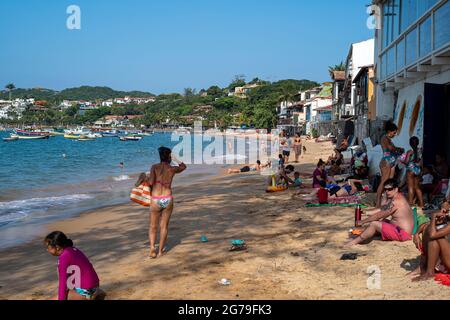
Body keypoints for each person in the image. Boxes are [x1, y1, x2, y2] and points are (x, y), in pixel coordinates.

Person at [345, 179, 414, 247]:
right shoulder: (398, 197)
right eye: (385, 189)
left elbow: (379, 215)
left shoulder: (396, 201)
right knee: (382, 221)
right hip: (400, 230)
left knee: (374, 224)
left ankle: (354, 242)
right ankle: (360, 233)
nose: (387, 192)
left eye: (390, 189)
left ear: (396, 189)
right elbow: (383, 208)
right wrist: (366, 212)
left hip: (402, 234)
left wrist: (362, 221)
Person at [148, 147, 187, 258]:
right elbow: (183, 167)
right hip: (167, 198)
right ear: (169, 157)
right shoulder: (172, 169)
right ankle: (160, 251)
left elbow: (151, 182)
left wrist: (145, 179)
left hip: (156, 199)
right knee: (164, 226)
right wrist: (176, 159)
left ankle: (152, 249)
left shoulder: (154, 167)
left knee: (153, 226)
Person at [45, 231, 101, 300]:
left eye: (48, 247)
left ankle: (89, 295)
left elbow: (63, 284)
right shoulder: (73, 249)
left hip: (88, 292)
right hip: (95, 286)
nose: (47, 250)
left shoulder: (64, 257)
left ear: (57, 247)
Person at [412, 200, 450, 281]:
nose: (443, 212)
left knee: (434, 235)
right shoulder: (446, 219)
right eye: (442, 210)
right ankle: (423, 267)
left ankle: (429, 272)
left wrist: (433, 216)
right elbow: (425, 225)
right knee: (429, 229)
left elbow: (433, 235)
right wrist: (416, 234)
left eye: (446, 211)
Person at [376, 121, 405, 208]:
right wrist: (398, 149)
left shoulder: (388, 139)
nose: (394, 134)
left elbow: (392, 148)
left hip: (391, 162)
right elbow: (390, 148)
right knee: (384, 182)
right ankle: (378, 202)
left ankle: (387, 201)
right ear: (389, 131)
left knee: (390, 183)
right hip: (386, 162)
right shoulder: (384, 138)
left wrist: (398, 149)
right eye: (394, 132)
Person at [404, 136, 424, 208]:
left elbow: (406, 162)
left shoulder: (410, 151)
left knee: (410, 187)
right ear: (418, 143)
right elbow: (421, 162)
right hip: (417, 170)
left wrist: (403, 161)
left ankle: (410, 204)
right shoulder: (420, 151)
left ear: (410, 144)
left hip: (410, 170)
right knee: (417, 187)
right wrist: (421, 171)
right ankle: (422, 204)